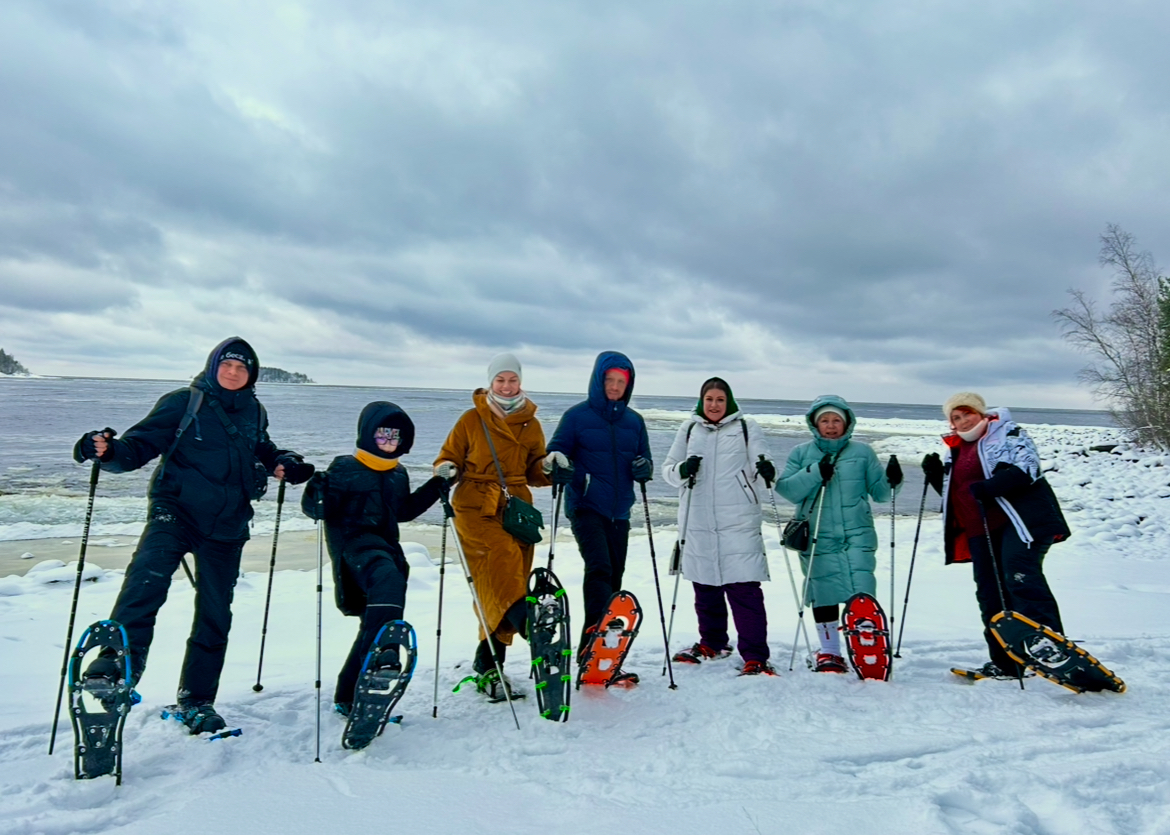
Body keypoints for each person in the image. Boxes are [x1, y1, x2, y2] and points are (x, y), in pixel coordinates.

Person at [72, 337, 313, 733]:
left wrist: (282, 462)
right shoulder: (184, 402)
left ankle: (197, 700)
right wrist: (104, 451)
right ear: (213, 365)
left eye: (242, 368)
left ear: (251, 375)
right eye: (227, 365)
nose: (233, 373)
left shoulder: (254, 410)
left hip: (228, 525)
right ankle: (115, 667)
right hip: (176, 512)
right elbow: (137, 447)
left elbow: (261, 448)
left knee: (216, 615)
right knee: (145, 581)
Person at [301, 402, 446, 716]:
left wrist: (437, 485)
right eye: (382, 436)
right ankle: (385, 655)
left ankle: (347, 694)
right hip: (354, 552)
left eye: (396, 437)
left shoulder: (398, 473)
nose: (389, 442)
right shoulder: (343, 468)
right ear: (368, 435)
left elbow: (403, 511)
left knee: (375, 617)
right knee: (387, 577)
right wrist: (315, 493)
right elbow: (317, 510)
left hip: (387, 551)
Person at [922, 392, 1070, 679]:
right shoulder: (954, 450)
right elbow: (961, 497)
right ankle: (1007, 662)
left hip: (1019, 523)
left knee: (1019, 576)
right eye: (955, 417)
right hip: (980, 532)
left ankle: (1050, 649)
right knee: (990, 595)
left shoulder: (1007, 432)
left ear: (981, 413)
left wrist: (994, 485)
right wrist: (936, 476)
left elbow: (1027, 469)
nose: (963, 420)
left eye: (967, 413)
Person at [433, 353, 551, 699]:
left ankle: (488, 665)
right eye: (500, 380)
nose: (506, 385)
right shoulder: (471, 419)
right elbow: (448, 456)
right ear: (490, 383)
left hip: (515, 508)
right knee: (501, 565)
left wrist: (550, 466)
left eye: (512, 379)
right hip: (474, 505)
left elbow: (534, 470)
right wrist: (446, 471)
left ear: (520, 382)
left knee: (500, 583)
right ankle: (534, 628)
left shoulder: (532, 424)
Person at [774, 395, 902, 673]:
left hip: (857, 534)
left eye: (836, 421)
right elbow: (787, 490)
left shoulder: (863, 452)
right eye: (825, 421)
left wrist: (895, 479)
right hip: (818, 535)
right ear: (815, 424)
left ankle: (867, 646)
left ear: (847, 423)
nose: (831, 426)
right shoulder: (801, 452)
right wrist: (815, 472)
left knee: (862, 592)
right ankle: (830, 653)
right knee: (823, 592)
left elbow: (880, 494)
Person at [543, 351, 653, 667]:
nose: (616, 386)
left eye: (622, 381)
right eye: (610, 380)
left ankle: (596, 648)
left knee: (614, 577)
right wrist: (557, 466)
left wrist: (644, 468)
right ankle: (594, 636)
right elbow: (555, 455)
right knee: (599, 568)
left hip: (620, 512)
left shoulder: (635, 421)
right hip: (586, 506)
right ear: (599, 380)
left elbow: (644, 461)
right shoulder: (576, 416)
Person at [662, 377, 778, 676]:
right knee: (705, 587)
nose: (714, 405)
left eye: (720, 400)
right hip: (697, 519)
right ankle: (713, 643)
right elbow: (668, 471)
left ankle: (755, 655)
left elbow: (762, 465)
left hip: (738, 519)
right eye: (709, 399)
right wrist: (682, 470)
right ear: (702, 401)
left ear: (730, 403)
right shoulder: (688, 429)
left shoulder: (746, 427)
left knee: (744, 589)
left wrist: (766, 469)